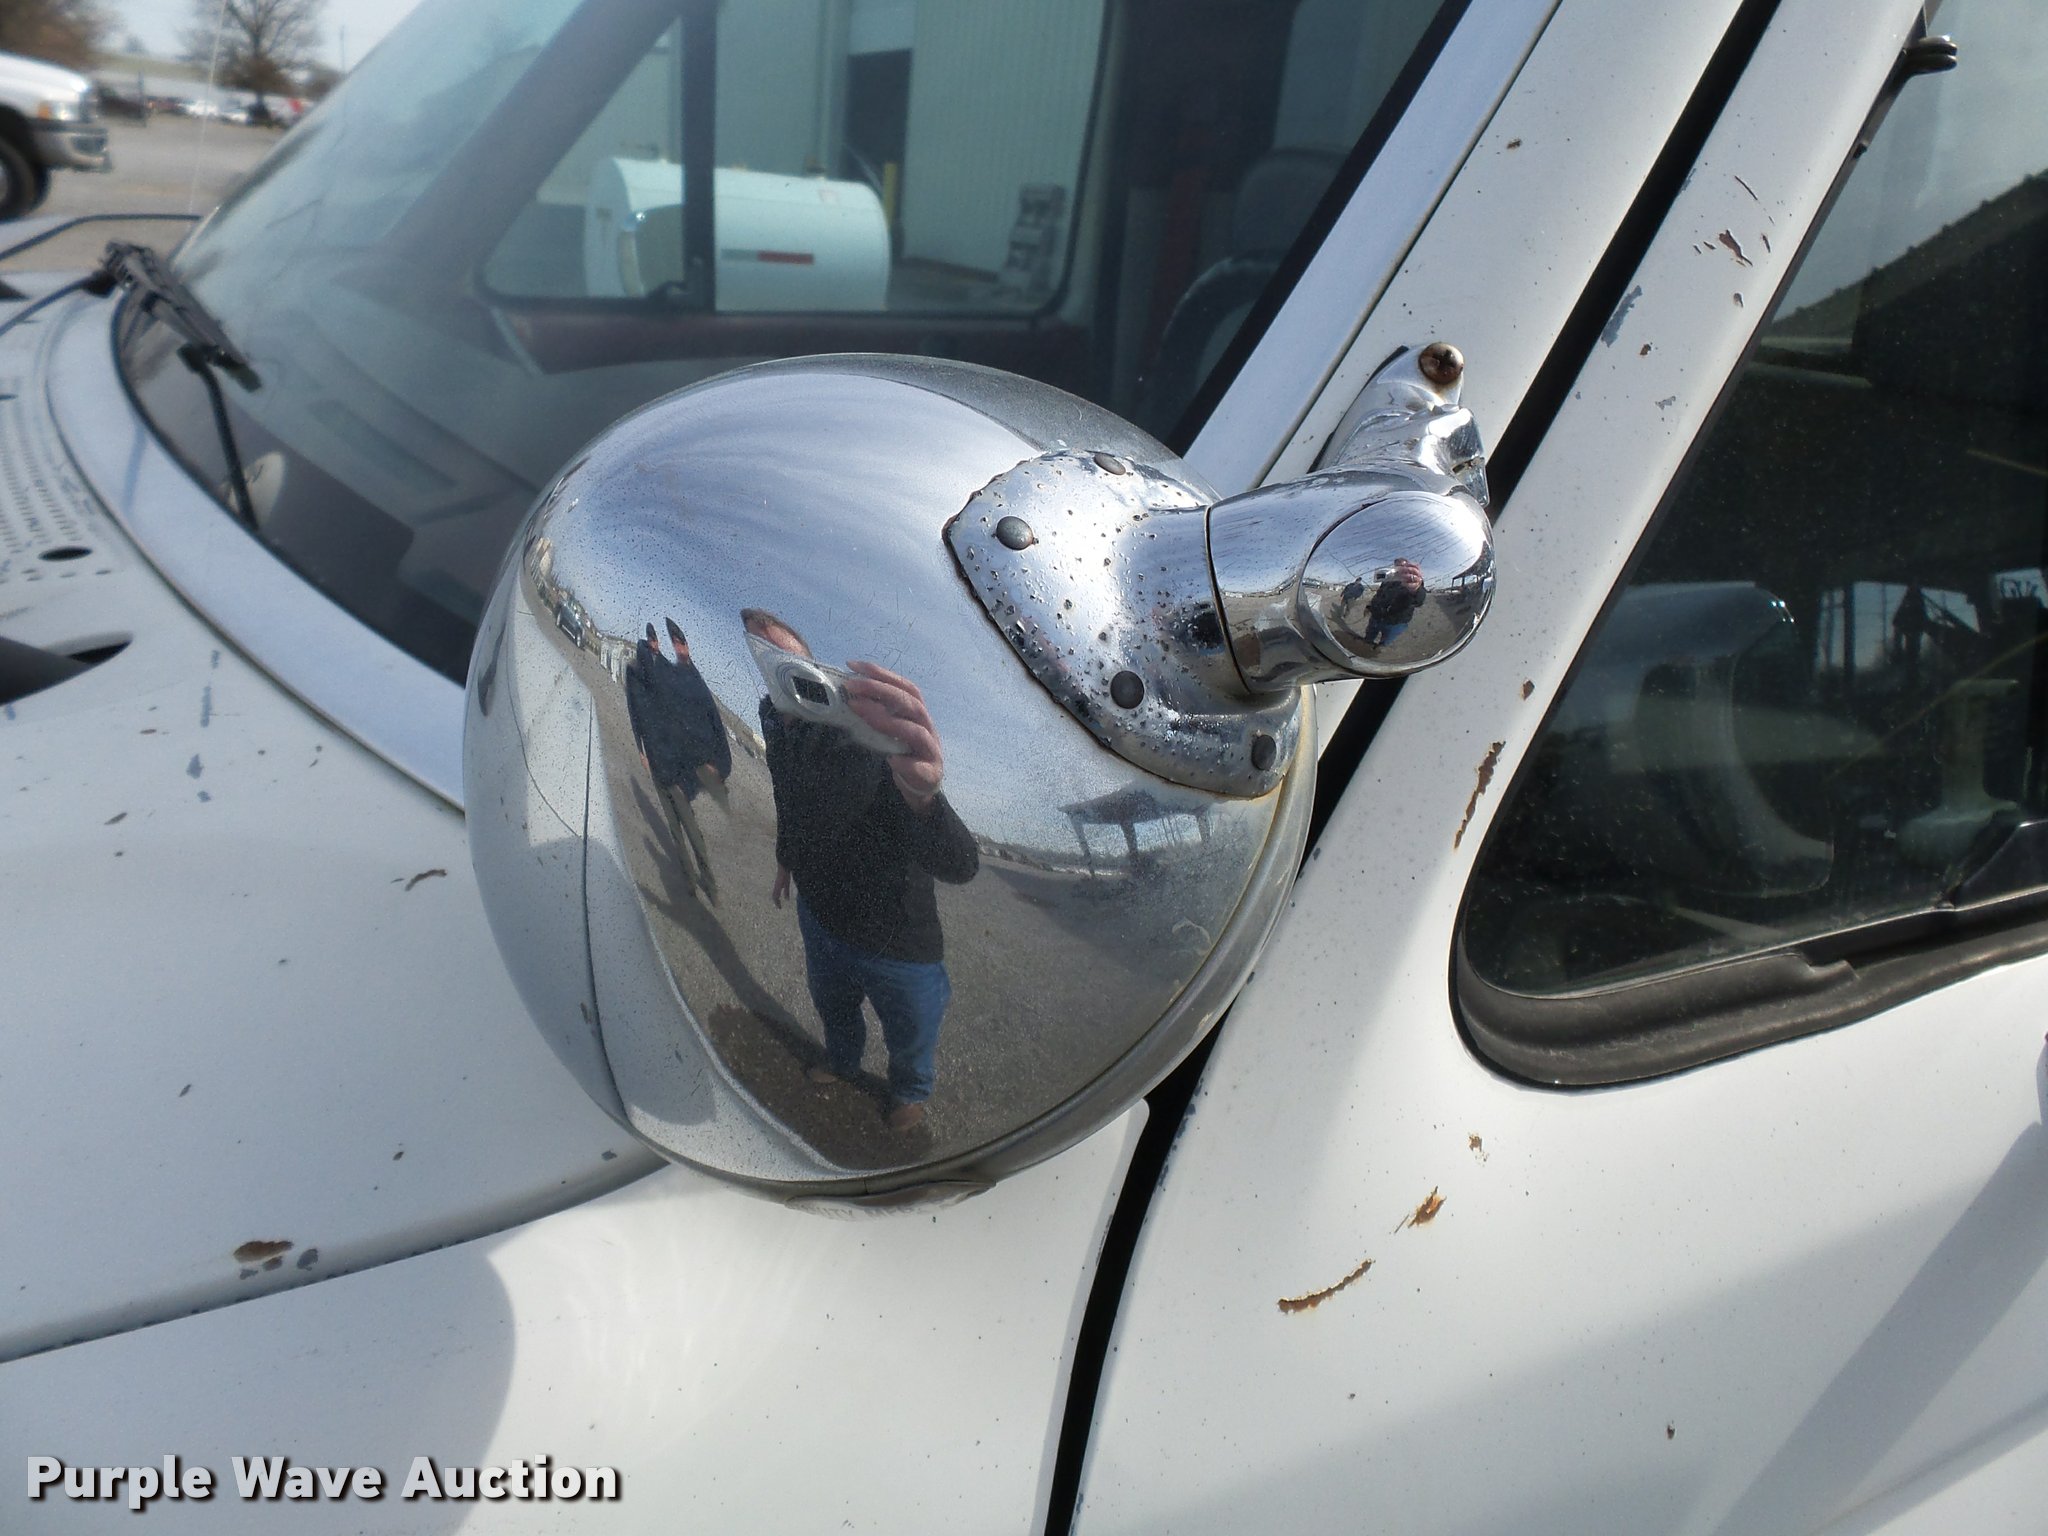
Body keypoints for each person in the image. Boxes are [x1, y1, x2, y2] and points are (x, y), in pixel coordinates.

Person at [745, 609, 978, 1132]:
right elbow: (787, 797)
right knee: (833, 1006)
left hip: (898, 940)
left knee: (912, 1034)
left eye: (791, 661)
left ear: (816, 669)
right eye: (765, 659)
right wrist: (785, 859)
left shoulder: (861, 733)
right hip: (819, 917)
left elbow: (961, 866)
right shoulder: (774, 723)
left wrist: (923, 795)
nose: (782, 674)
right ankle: (844, 1061)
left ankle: (909, 1092)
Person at [624, 619, 731, 900]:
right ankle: (690, 880)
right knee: (675, 829)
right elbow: (636, 714)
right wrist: (641, 750)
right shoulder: (640, 674)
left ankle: (709, 883)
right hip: (658, 762)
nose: (655, 643)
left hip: (675, 766)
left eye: (656, 639)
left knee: (691, 829)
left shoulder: (670, 674)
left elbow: (688, 722)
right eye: (651, 639)